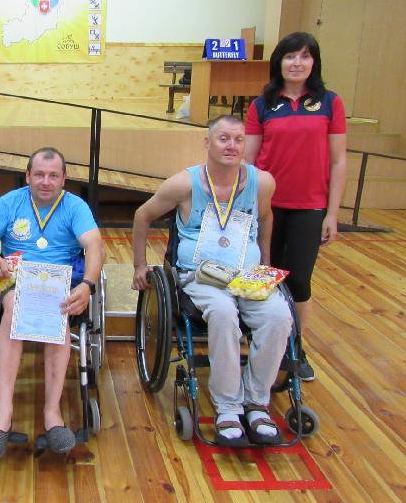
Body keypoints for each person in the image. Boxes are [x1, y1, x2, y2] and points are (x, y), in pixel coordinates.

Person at [132, 115, 292, 447]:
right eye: (223, 138)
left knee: (279, 316)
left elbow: (265, 219)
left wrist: (266, 263)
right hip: (202, 275)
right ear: (208, 143)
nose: (231, 145)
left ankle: (256, 403)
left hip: (247, 275)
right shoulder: (184, 184)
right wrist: (139, 265)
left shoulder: (262, 182)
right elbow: (142, 215)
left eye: (238, 139)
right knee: (222, 313)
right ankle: (228, 408)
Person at [0, 147, 105, 459]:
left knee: (60, 309)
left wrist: (87, 285)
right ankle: (3, 411)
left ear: (64, 179)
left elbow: (95, 245)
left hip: (60, 283)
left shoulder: (75, 206)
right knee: (14, 305)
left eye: (53, 175)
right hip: (15, 280)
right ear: (28, 176)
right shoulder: (10, 202)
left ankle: (52, 413)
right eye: (39, 174)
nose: (46, 181)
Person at [244, 32, 347, 381]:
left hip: (310, 206)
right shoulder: (262, 105)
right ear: (279, 62)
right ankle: (262, 345)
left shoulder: (330, 103)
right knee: (263, 276)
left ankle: (295, 349)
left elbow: (338, 161)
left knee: (299, 280)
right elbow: (249, 161)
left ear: (314, 62)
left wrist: (332, 213)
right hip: (267, 207)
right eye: (290, 56)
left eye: (305, 56)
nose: (297, 63)